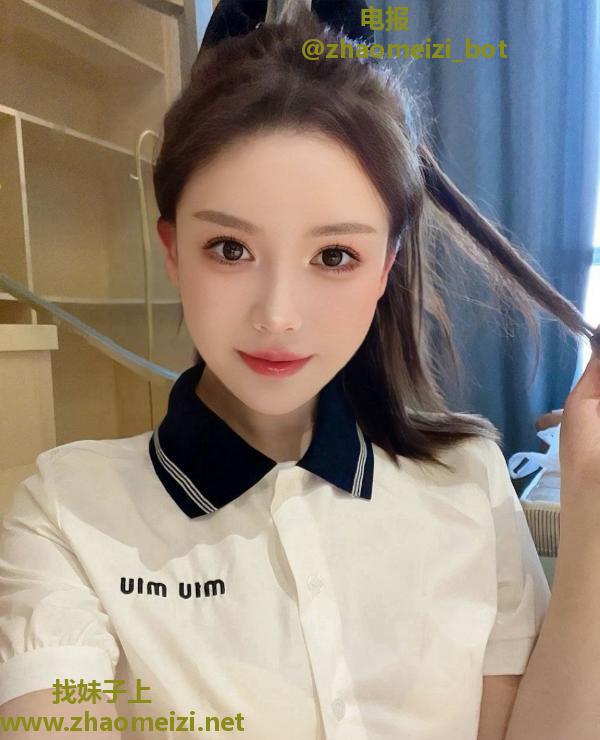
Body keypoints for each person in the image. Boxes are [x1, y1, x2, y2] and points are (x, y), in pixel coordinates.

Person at [1, 3, 599, 739]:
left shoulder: (469, 480)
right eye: (230, 249)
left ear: (386, 266)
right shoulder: (68, 513)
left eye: (334, 256)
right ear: (173, 250)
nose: (278, 315)